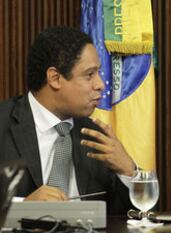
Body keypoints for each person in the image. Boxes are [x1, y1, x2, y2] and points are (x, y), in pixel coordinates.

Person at [0, 26, 137, 214]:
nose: (100, 85)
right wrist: (21, 209)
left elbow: (132, 220)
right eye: (89, 75)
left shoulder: (96, 136)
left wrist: (128, 172)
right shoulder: (3, 123)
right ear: (55, 78)